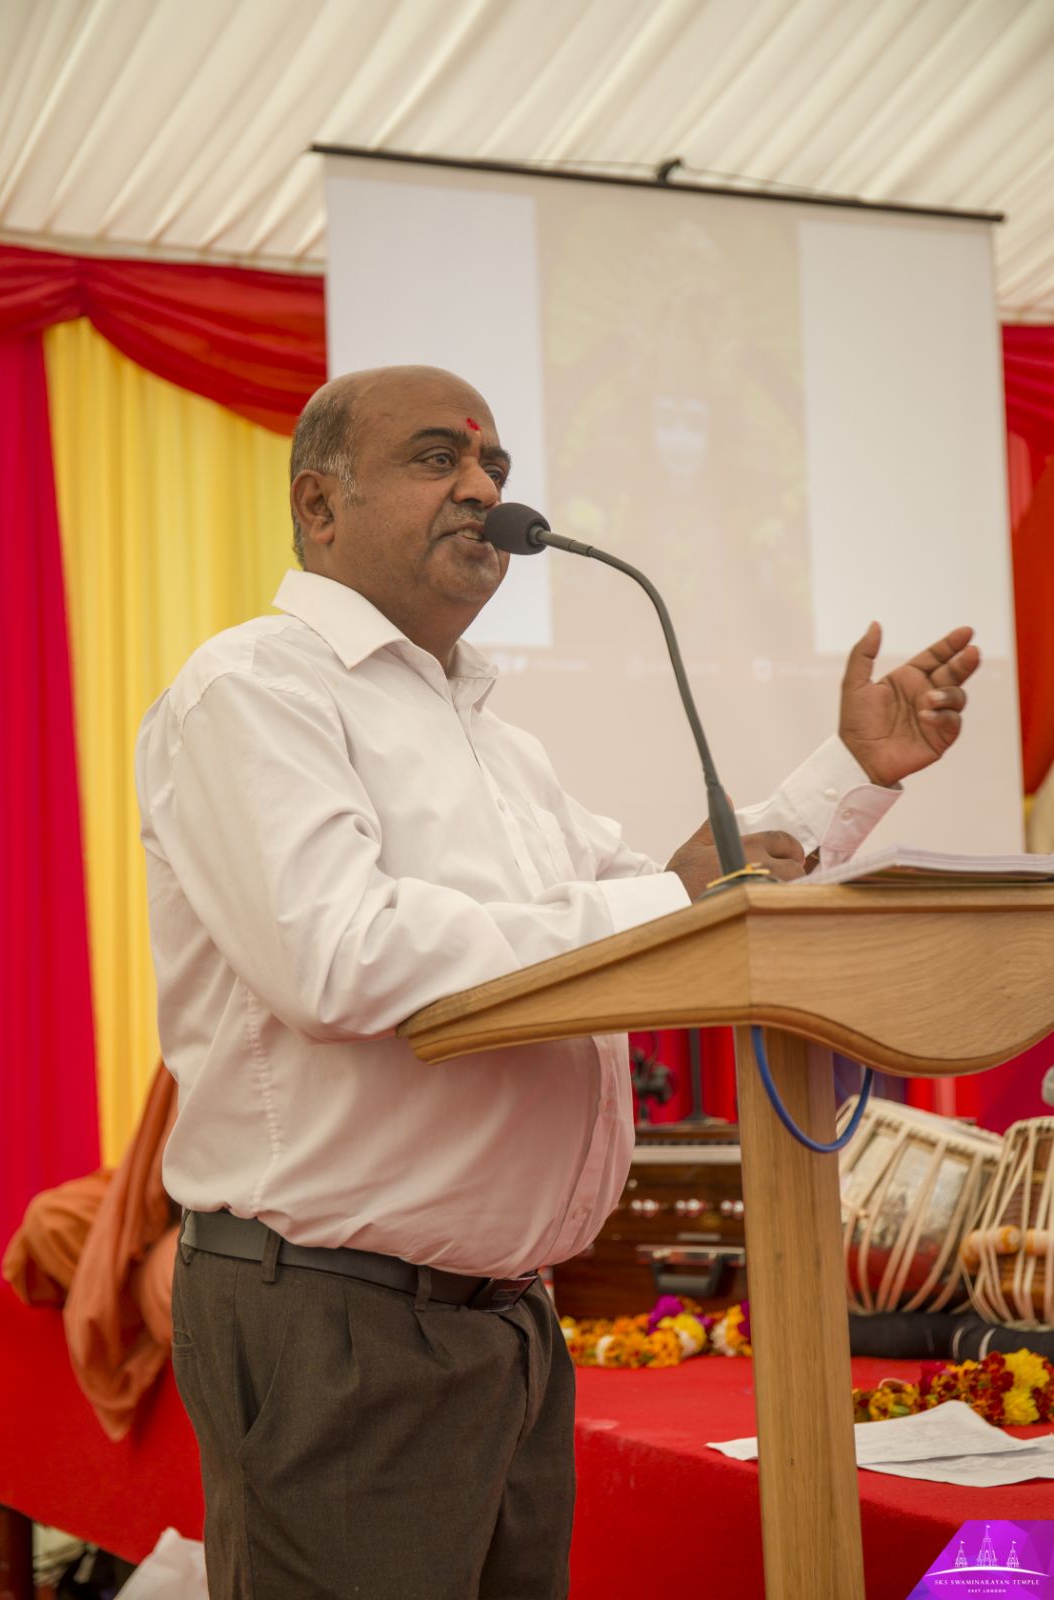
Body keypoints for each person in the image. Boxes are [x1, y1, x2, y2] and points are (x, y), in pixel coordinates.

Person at [135, 364, 979, 1599]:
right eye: (438, 458)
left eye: (495, 469)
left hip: (505, 1324)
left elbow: (659, 895)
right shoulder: (252, 690)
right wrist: (655, 903)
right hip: (341, 1316)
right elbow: (336, 954)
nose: (481, 487)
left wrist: (846, 774)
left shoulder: (496, 740)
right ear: (319, 506)